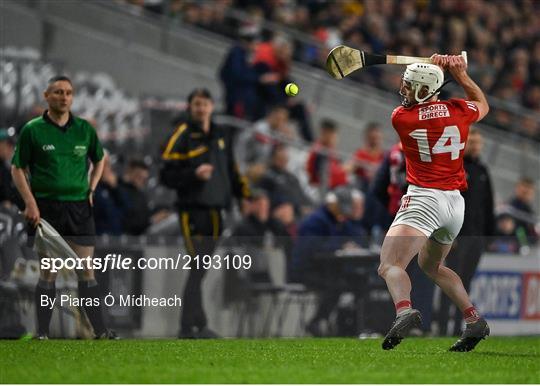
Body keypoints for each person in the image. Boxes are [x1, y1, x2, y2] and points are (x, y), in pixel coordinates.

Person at [377, 55, 490, 352]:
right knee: (432, 265)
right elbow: (483, 104)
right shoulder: (459, 110)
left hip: (425, 198)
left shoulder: (401, 117)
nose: (403, 88)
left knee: (390, 264)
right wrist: (460, 74)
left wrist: (438, 69)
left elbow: (420, 106)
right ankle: (473, 319)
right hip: (455, 205)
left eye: (410, 85)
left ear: (425, 90)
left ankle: (404, 310)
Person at [11, 75, 115, 339]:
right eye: (58, 92)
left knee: (86, 270)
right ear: (46, 96)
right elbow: (18, 168)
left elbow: (99, 160)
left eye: (68, 93)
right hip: (47, 209)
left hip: (79, 207)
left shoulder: (84, 129)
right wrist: (30, 203)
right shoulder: (33, 130)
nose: (64, 97)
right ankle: (43, 332)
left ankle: (101, 331)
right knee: (49, 270)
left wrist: (91, 188)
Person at [160, 88, 251, 338]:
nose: (201, 109)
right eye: (196, 104)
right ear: (190, 107)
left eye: (205, 104)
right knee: (198, 267)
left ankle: (196, 324)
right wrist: (193, 174)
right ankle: (189, 326)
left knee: (199, 268)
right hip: (192, 210)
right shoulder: (182, 135)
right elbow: (165, 174)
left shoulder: (221, 134)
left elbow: (231, 169)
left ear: (212, 106)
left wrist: (243, 195)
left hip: (216, 210)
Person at [437, 128, 495, 336]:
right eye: (472, 142)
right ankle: (442, 326)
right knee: (450, 281)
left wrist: (489, 236)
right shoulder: (455, 167)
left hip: (476, 236)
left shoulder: (482, 171)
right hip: (457, 236)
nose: (475, 146)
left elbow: (488, 205)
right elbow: (445, 202)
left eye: (478, 143)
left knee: (467, 281)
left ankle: (457, 327)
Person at [290, 186, 368, 336]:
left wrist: (354, 237)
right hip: (306, 271)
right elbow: (312, 248)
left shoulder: (340, 219)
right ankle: (318, 321)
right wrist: (341, 245)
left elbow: (359, 238)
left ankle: (356, 327)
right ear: (332, 204)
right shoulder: (315, 221)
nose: (343, 215)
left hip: (329, 270)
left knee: (359, 281)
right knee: (336, 285)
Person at [306, 119, 348, 192]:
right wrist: (344, 170)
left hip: (335, 187)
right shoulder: (319, 152)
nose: (335, 137)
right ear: (325, 133)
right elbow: (324, 178)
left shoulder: (331, 150)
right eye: (333, 134)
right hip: (320, 188)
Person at [351, 122, 385, 192]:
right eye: (372, 138)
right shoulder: (360, 154)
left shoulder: (384, 156)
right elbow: (349, 168)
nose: (375, 140)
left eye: (376, 137)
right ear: (367, 138)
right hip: (362, 190)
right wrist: (358, 165)